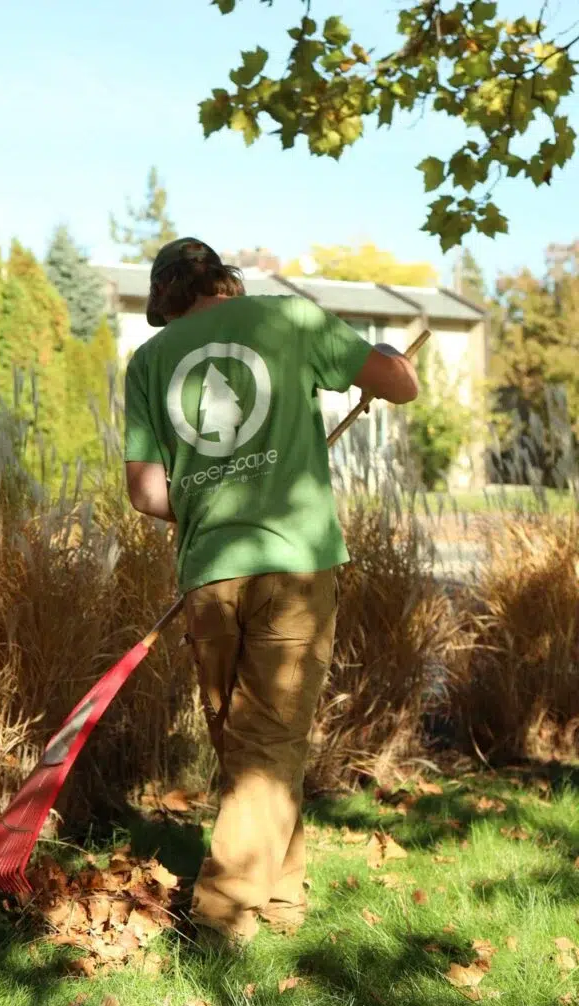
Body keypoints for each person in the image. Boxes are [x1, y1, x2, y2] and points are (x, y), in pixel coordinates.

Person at [123, 237, 419, 947]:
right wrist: (389, 358)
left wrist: (207, 499)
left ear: (167, 301)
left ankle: (266, 903)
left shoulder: (149, 361)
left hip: (211, 568)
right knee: (268, 741)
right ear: (225, 281)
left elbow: (146, 492)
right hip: (295, 561)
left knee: (247, 741)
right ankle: (231, 917)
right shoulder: (288, 319)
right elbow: (401, 383)